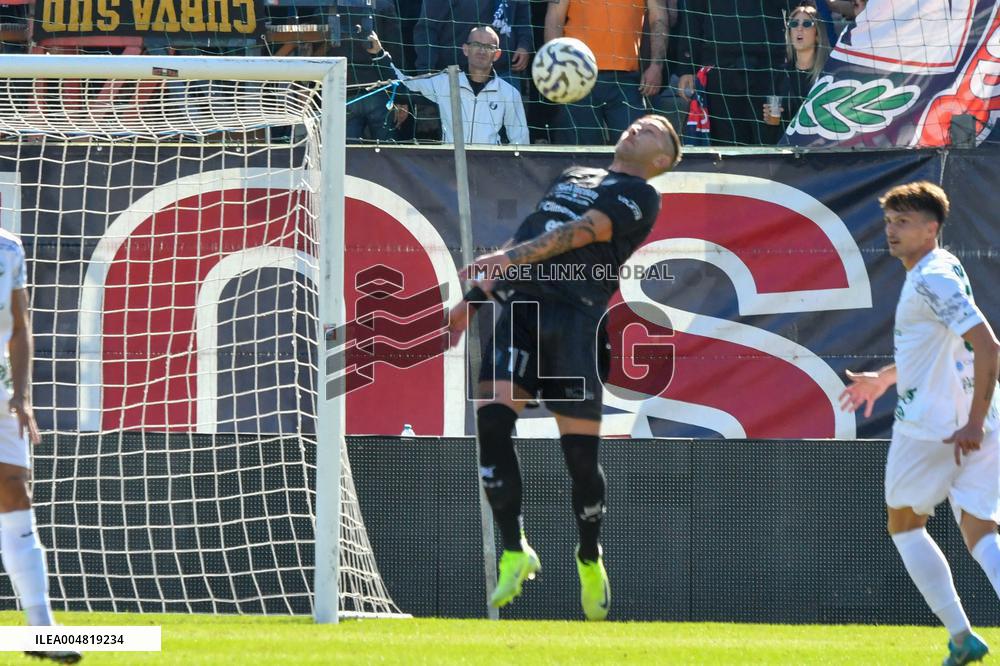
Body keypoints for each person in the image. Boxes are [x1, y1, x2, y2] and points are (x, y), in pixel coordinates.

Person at [446, 115, 682, 619]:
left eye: (655, 129)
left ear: (662, 160)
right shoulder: (572, 175)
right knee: (491, 420)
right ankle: (515, 548)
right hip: (524, 308)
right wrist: (474, 298)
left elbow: (582, 233)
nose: (639, 126)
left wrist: (504, 262)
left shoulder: (641, 195)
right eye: (638, 122)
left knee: (578, 457)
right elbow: (530, 234)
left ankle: (589, 554)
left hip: (576, 317)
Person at [840, 182, 1000, 666]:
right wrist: (885, 379)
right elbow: (937, 347)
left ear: (931, 229)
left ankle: (960, 636)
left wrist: (969, 424)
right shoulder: (943, 265)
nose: (891, 231)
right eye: (889, 221)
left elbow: (989, 347)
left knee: (905, 526)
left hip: (936, 427)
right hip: (980, 419)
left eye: (903, 222)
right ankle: (962, 638)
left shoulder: (933, 278)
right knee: (982, 530)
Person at [0, 230, 81, 663]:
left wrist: (23, 395)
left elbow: (20, 325)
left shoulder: (9, 247)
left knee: (16, 492)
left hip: (1, 391)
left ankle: (42, 630)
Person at [367, 26, 529, 145]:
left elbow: (521, 142)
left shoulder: (509, 93)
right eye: (476, 45)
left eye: (488, 47)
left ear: (497, 54)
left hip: (489, 172)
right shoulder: (446, 81)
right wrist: (380, 54)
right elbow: (402, 86)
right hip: (450, 168)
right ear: (465, 49)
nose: (481, 51)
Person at [544, 0, 669, 145]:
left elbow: (659, 17)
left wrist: (656, 66)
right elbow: (554, 18)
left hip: (627, 79)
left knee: (635, 148)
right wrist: (555, 64)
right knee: (581, 152)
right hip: (577, 75)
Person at [677, 0, 795, 145]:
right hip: (720, 71)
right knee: (724, 144)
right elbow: (692, 16)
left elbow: (795, 6)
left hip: (768, 69)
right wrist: (687, 67)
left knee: (769, 139)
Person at [762, 4, 830, 142]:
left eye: (806, 23)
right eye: (793, 23)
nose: (799, 28)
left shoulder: (828, 74)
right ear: (789, 32)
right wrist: (768, 121)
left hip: (819, 152)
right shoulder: (780, 74)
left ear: (817, 34)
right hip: (786, 154)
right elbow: (770, 135)